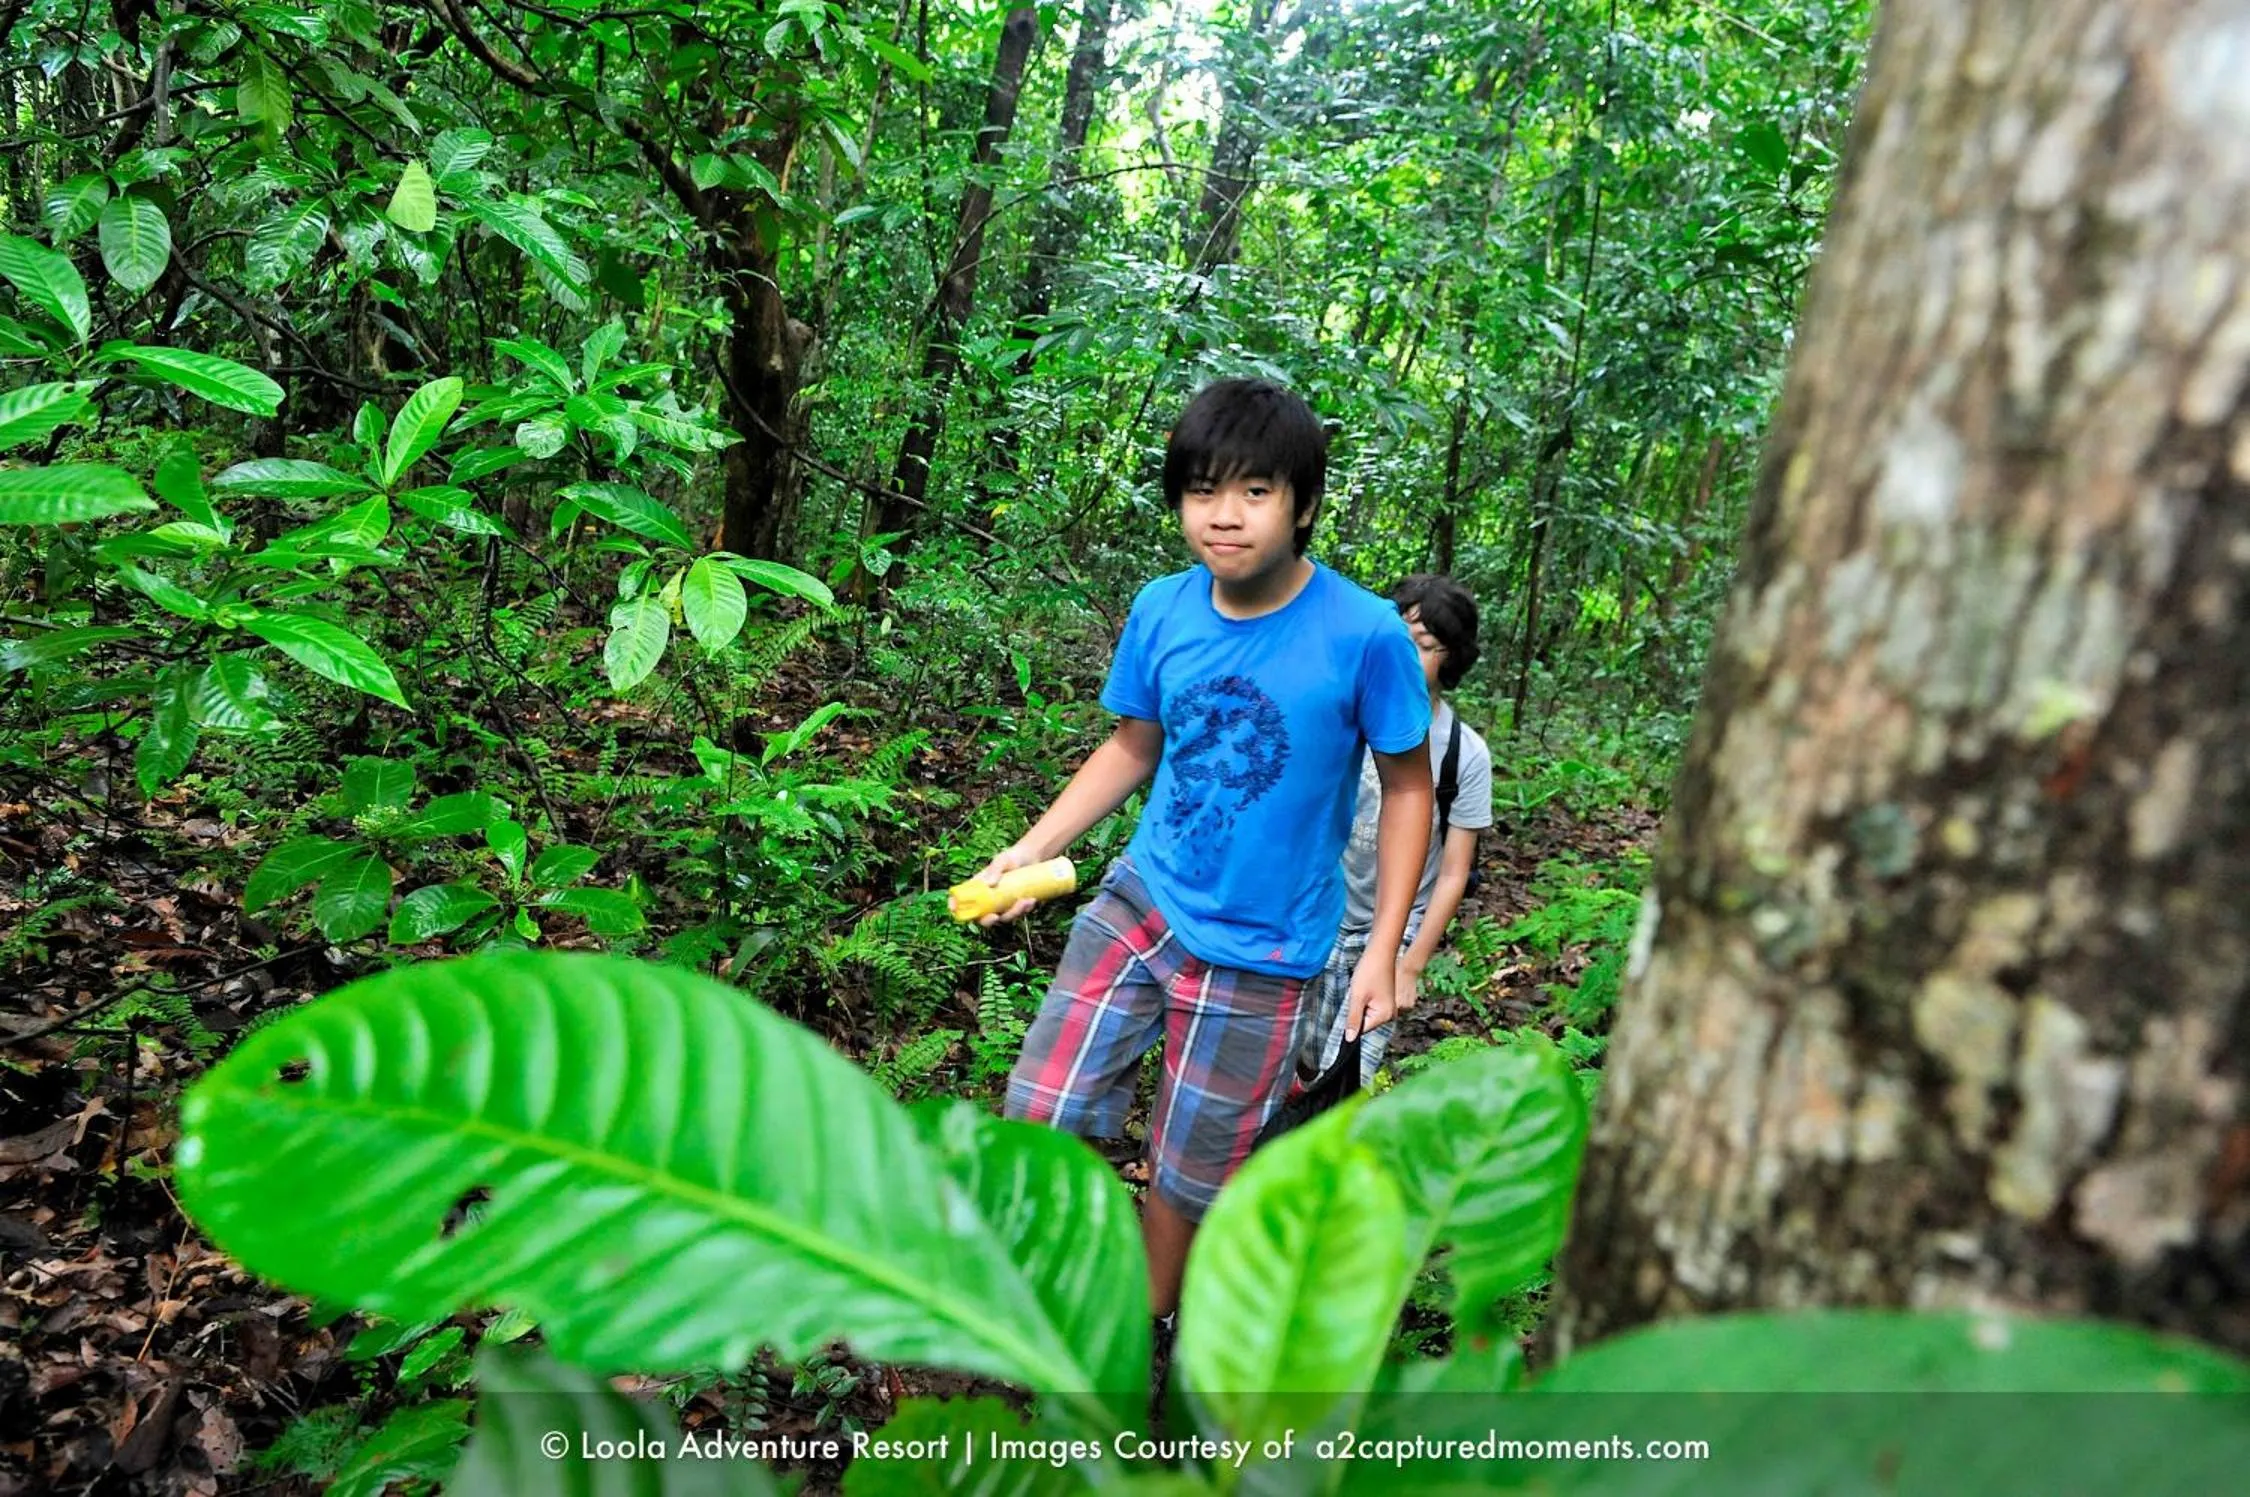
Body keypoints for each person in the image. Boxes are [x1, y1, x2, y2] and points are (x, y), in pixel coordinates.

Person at [971, 378, 1432, 1332]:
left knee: (1192, 1167)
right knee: (1040, 1104)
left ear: (1303, 504)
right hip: (1145, 897)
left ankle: (1137, 1330)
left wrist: (1385, 947)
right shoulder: (1163, 609)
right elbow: (1132, 748)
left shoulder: (1366, 635)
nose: (1223, 515)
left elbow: (1410, 789)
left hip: (1267, 950)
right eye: (1202, 489)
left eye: (1255, 491)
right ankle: (1053, 1293)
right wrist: (1029, 850)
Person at [1303, 574, 1493, 1088]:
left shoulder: (1463, 753)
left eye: (1427, 646)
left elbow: (1454, 873)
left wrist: (1410, 964)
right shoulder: (1346, 718)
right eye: (1401, 638)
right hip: (1319, 911)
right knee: (1295, 1055)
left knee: (1345, 1073)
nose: (1409, 656)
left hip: (1394, 925)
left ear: (1452, 658)